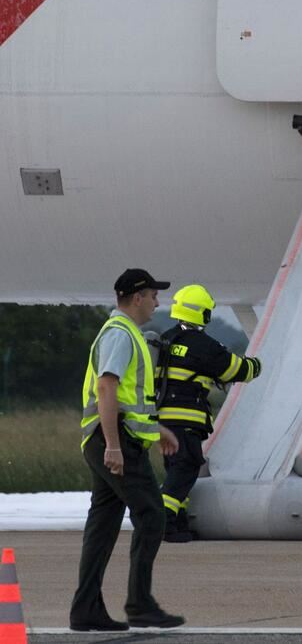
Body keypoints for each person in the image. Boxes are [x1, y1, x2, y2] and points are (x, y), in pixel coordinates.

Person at [70, 269, 185, 632]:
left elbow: (127, 401)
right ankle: (139, 604)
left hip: (107, 438)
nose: (157, 302)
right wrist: (115, 448)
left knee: (102, 527)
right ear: (137, 298)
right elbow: (107, 389)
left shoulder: (123, 333)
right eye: (153, 295)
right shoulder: (121, 335)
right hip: (113, 441)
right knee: (152, 515)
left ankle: (86, 610)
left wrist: (157, 429)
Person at [155, 284, 262, 543]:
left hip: (162, 422)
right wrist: (258, 364)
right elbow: (237, 371)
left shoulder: (165, 339)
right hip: (187, 421)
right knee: (186, 468)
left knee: (174, 471)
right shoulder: (204, 345)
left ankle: (178, 524)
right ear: (202, 313)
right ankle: (162, 521)